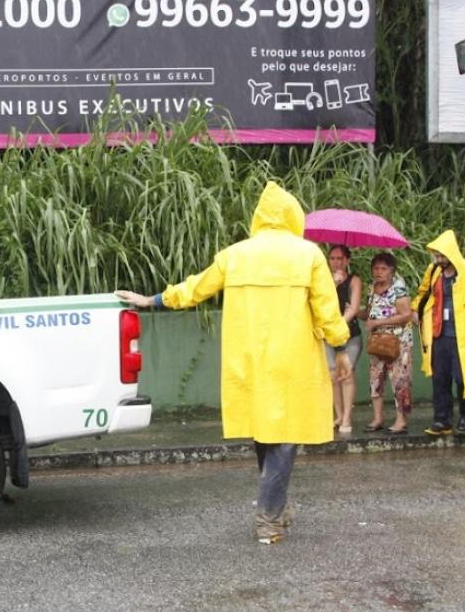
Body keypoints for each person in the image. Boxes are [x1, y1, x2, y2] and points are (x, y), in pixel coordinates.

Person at [116, 181, 349, 544]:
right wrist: (340, 345)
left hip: (249, 361)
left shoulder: (236, 254)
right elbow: (327, 311)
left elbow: (196, 288)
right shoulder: (309, 255)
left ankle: (277, 504)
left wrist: (153, 300)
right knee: (284, 437)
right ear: (292, 216)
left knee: (264, 432)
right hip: (292, 361)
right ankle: (269, 519)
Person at [413, 231, 465, 435]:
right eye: (436, 256)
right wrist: (416, 310)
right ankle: (442, 420)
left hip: (462, 336)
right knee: (440, 378)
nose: (439, 260)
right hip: (438, 333)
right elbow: (423, 293)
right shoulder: (434, 272)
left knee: (464, 378)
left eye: (442, 256)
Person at [361, 252, 415, 435]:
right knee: (376, 380)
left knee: (400, 380)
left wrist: (378, 323)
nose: (379, 272)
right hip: (377, 342)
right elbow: (369, 313)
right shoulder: (372, 288)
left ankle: (401, 420)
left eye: (383, 268)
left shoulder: (399, 288)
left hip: (399, 342)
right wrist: (352, 310)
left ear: (392, 271)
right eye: (376, 268)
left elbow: (406, 315)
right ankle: (378, 418)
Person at [325, 245, 363, 435]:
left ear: (347, 260)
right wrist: (333, 285)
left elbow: (354, 308)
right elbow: (320, 304)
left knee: (346, 375)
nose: (336, 262)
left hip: (350, 335)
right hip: (329, 336)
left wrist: (338, 325)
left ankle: (347, 417)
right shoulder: (324, 280)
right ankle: (339, 415)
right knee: (333, 377)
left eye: (340, 258)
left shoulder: (354, 280)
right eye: (332, 258)